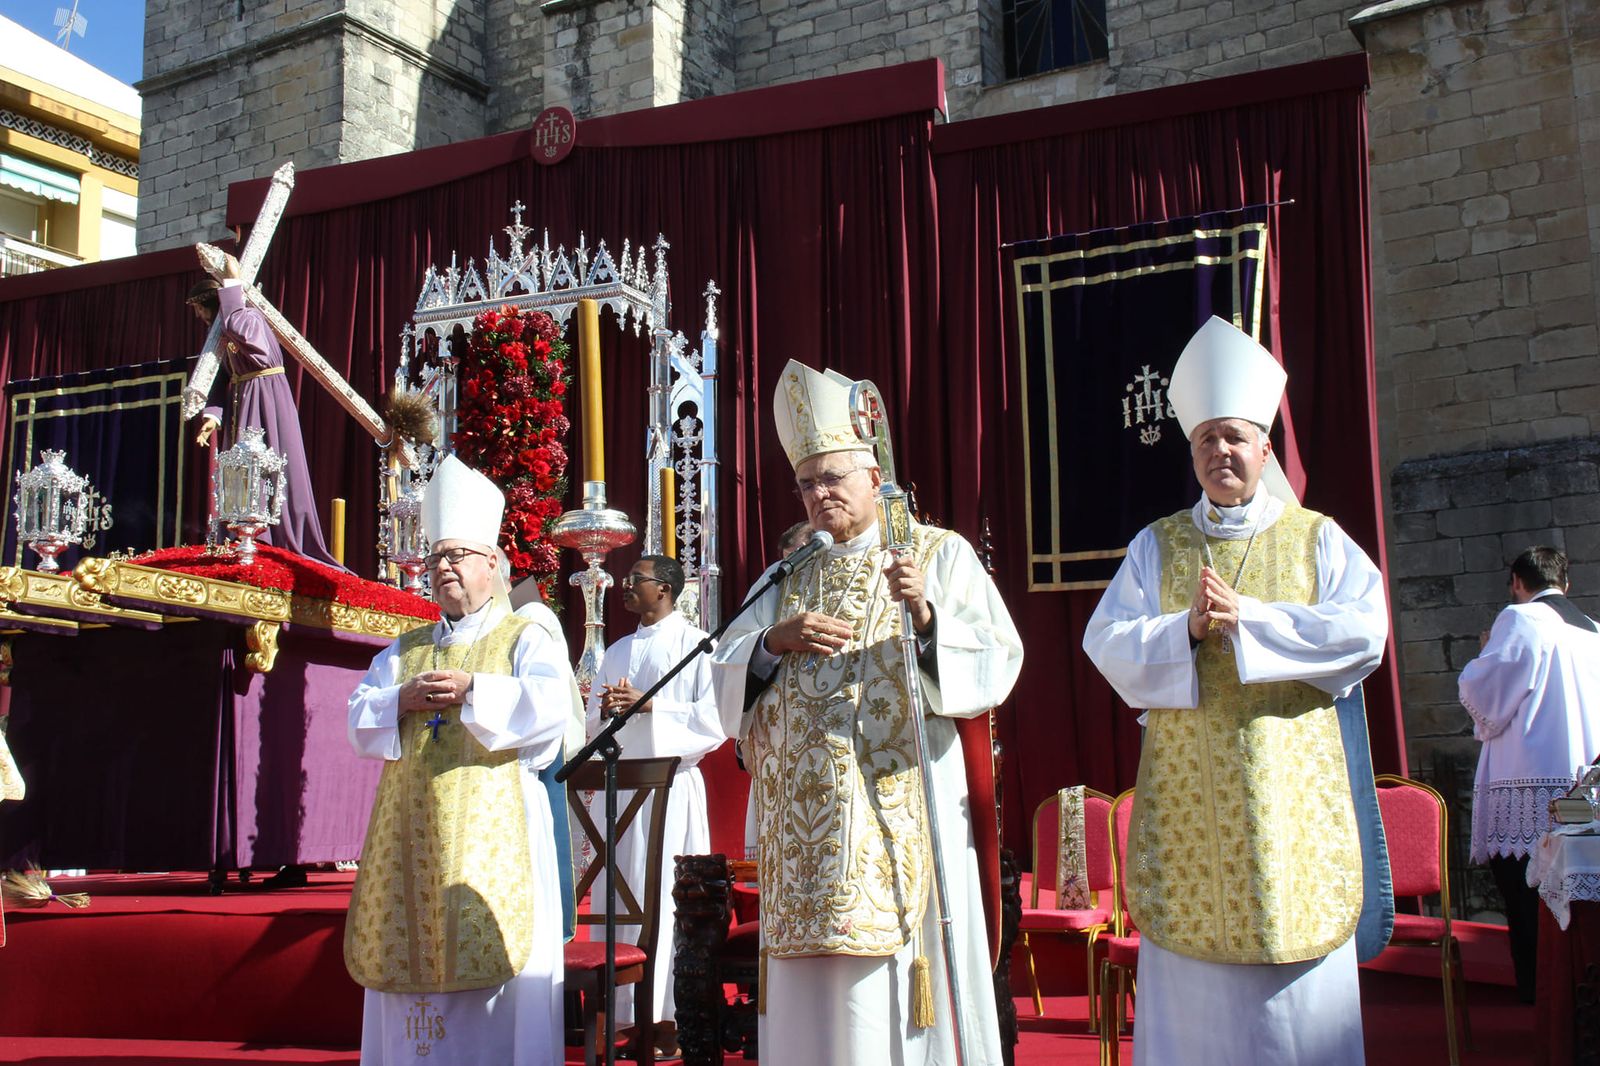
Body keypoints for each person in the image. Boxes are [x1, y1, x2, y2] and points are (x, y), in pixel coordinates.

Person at [1083, 317, 1388, 1066]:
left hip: (1293, 795)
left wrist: (1249, 618)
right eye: (1205, 439)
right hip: (1193, 796)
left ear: (1263, 448)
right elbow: (1105, 643)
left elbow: (1364, 633)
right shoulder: (1158, 545)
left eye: (1234, 438)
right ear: (1190, 452)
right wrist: (1181, 632)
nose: (1220, 452)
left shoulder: (1317, 537)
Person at [711, 360, 1023, 1066]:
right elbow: (722, 673)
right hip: (802, 844)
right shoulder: (783, 576)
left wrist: (926, 617)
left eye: (833, 479)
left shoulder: (938, 556)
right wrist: (769, 641)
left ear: (873, 477)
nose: (819, 495)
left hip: (895, 819)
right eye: (806, 482)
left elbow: (997, 660)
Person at [344, 455, 573, 1065]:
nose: (444, 567)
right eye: (438, 556)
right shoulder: (408, 647)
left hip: (498, 835)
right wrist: (402, 698)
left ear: (491, 564)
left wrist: (475, 689)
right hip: (410, 837)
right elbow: (356, 717)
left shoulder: (525, 635)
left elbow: (554, 709)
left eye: (459, 556)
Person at [586, 553, 724, 1052]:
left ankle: (666, 1019)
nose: (624, 587)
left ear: (665, 588)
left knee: (665, 902)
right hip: (621, 793)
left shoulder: (699, 645)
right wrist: (606, 714)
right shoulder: (617, 650)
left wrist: (651, 705)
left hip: (670, 788)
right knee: (618, 901)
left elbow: (714, 720)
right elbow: (592, 725)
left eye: (635, 580)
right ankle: (622, 1017)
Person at [1459, 545, 1600, 1003]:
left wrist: (1482, 657)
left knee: (1528, 899)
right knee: (1577, 897)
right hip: (1584, 788)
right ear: (1566, 583)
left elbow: (1489, 701)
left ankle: (1542, 1001)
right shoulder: (1594, 631)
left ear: (1518, 583)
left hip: (1529, 786)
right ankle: (1581, 992)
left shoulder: (1520, 619)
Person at [185, 253, 340, 569]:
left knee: (270, 462)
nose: (200, 316)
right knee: (243, 469)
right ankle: (245, 534)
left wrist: (233, 282)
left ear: (213, 303)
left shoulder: (248, 319)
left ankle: (274, 537)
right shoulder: (223, 332)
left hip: (266, 396)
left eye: (201, 308)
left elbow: (251, 342)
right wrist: (212, 416)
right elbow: (221, 376)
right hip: (243, 399)